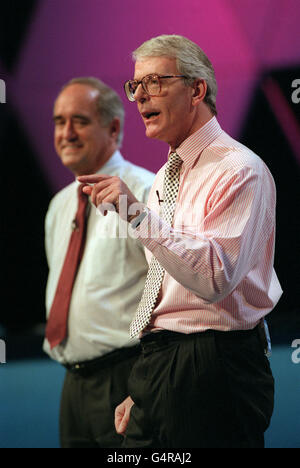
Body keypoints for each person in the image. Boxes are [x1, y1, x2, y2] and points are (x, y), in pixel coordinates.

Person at [78, 35, 283, 448]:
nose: (139, 96)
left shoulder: (239, 170)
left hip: (214, 366)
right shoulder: (163, 180)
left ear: (196, 89)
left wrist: (134, 213)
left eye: (154, 82)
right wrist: (145, 386)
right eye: (136, 85)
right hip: (162, 365)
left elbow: (212, 278)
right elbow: (169, 288)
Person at [43, 77, 154, 448]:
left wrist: (144, 384)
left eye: (80, 120)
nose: (67, 132)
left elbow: (173, 293)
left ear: (114, 127)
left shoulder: (145, 192)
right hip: (72, 385)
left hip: (128, 381)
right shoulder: (59, 205)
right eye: (59, 121)